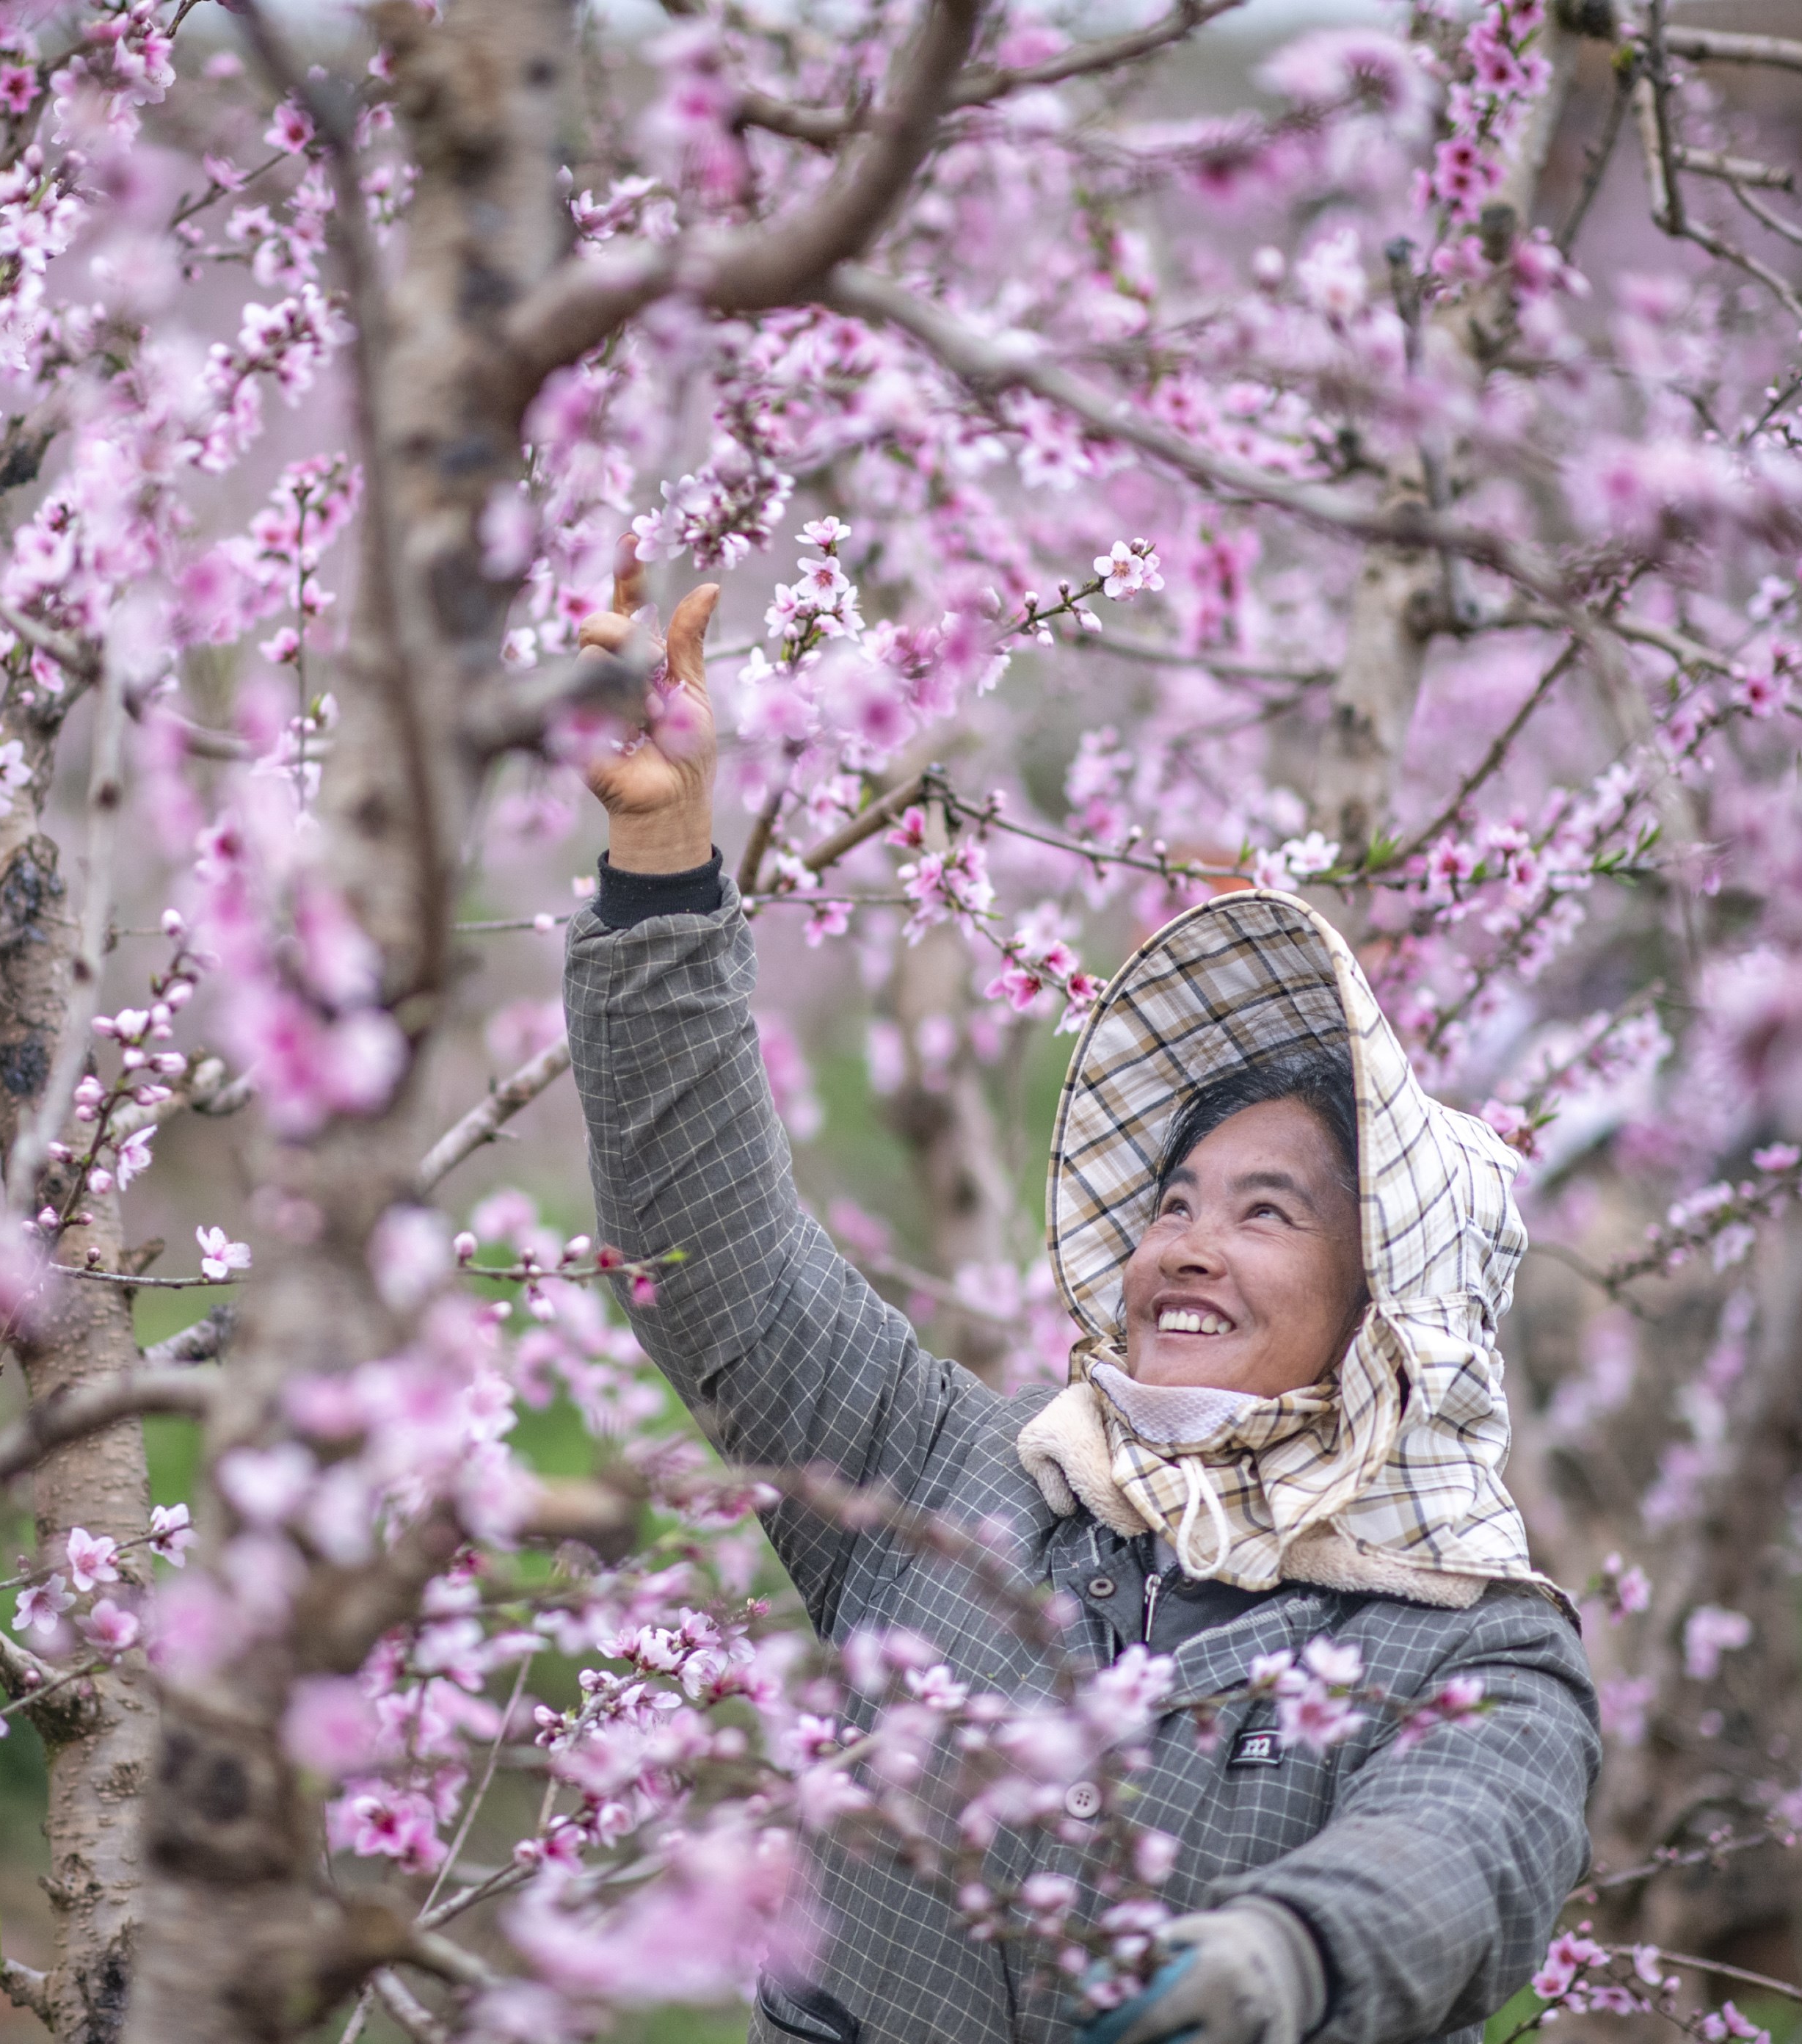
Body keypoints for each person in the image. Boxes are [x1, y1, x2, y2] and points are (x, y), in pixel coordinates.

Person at [559, 555, 1601, 2044]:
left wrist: (1283, 1960)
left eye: (1265, 1212)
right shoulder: (942, 1478)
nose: (1186, 1242)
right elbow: (705, 1239)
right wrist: (662, 858)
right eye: (1173, 1201)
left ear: (1391, 1299)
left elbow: (1465, 1850)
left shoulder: (1468, 1646)